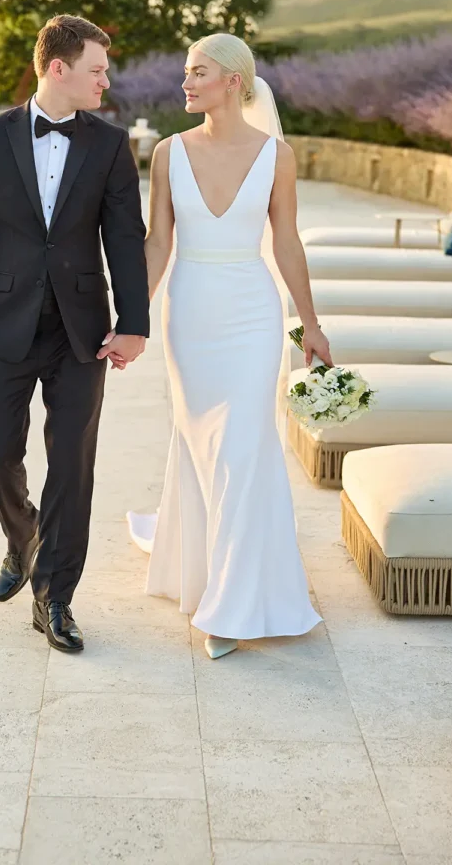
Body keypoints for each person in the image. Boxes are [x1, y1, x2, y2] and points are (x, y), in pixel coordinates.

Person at [0, 14, 150, 654]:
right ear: (58, 68)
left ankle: (55, 597)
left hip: (82, 331)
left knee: (72, 466)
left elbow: (125, 241)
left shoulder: (109, 146)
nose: (107, 80)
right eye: (97, 69)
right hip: (2, 323)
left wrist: (133, 324)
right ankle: (21, 537)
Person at [129, 33, 331, 659]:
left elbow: (288, 243)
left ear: (235, 83)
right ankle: (204, 571)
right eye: (186, 73)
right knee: (200, 444)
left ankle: (232, 605)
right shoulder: (167, 153)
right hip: (189, 313)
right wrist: (130, 314)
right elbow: (158, 244)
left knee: (243, 447)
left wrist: (310, 322)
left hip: (250, 311)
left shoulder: (278, 156)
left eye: (198, 73)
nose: (184, 84)